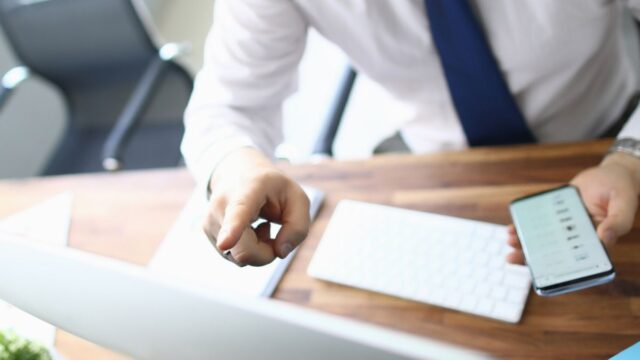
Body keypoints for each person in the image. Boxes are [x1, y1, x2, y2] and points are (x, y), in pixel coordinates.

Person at [182, 0, 640, 267]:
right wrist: (235, 167)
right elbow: (225, 107)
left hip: (607, 136)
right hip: (444, 169)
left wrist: (630, 157)